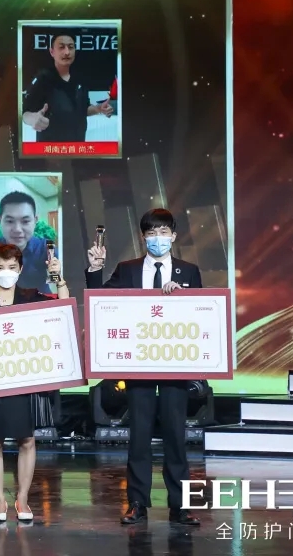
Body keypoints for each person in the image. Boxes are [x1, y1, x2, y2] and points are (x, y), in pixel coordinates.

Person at [85, 208, 202, 527]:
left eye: (163, 232)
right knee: (139, 435)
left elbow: (201, 314)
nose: (157, 238)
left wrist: (184, 298)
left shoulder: (189, 271)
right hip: (139, 362)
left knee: (176, 436)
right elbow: (99, 300)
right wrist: (95, 269)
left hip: (175, 363)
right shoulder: (128, 269)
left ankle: (181, 505)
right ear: (143, 237)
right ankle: (137, 502)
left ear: (173, 236)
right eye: (152, 233)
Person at [0, 243, 69, 523]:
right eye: (0, 267)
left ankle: (22, 498)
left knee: (27, 439)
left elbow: (62, 309)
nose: (6, 272)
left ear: (21, 269)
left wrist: (59, 278)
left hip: (26, 380)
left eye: (12, 267)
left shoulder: (31, 297)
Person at [21, 33, 113, 143]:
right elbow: (24, 113)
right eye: (61, 47)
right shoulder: (43, 78)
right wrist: (33, 119)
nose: (67, 52)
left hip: (78, 148)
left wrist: (99, 109)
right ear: (52, 52)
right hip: (51, 150)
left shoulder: (80, 78)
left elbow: (83, 109)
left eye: (70, 47)